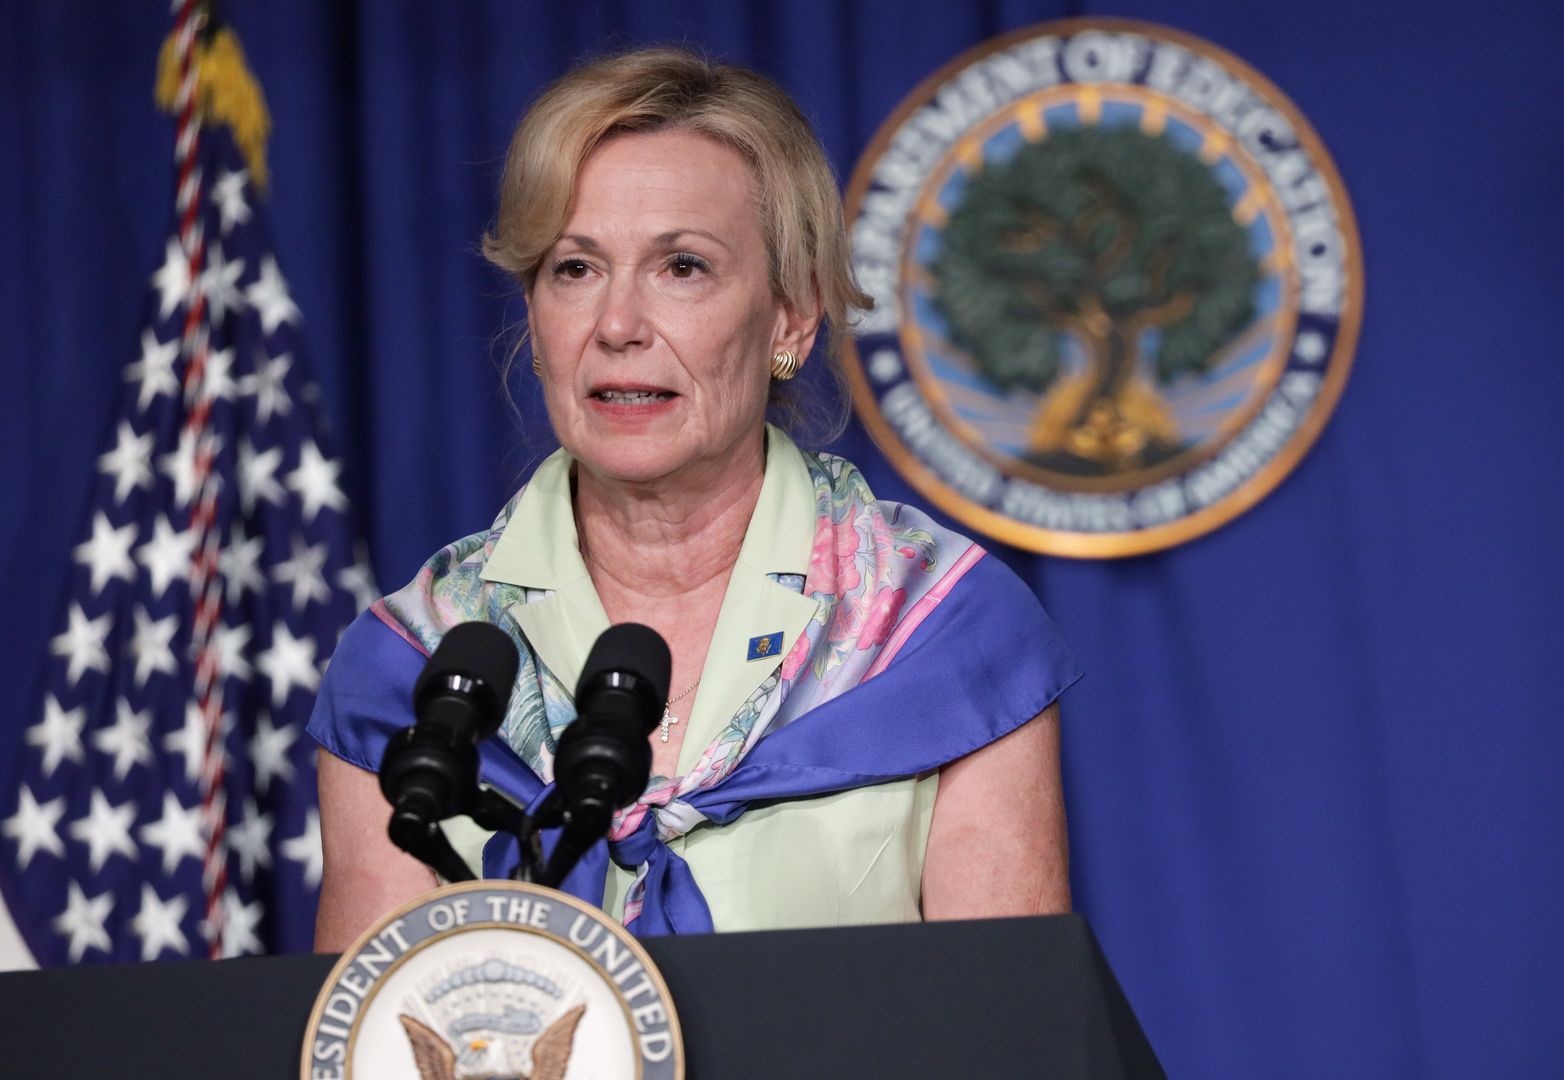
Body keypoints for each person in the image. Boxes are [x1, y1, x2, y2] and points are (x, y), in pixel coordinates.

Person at [308, 47, 1078, 951]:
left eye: (682, 267)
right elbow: (371, 1037)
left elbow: (1008, 1033)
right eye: (575, 269)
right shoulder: (419, 665)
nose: (619, 326)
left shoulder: (944, 629)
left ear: (791, 316)